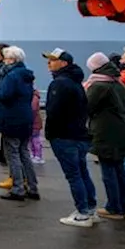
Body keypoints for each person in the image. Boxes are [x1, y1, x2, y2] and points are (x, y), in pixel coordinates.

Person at [38, 48, 95, 225]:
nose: (49, 63)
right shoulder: (75, 82)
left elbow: (53, 112)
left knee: (74, 175)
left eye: (53, 60)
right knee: (82, 172)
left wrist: (50, 134)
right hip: (79, 134)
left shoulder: (59, 84)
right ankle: (90, 209)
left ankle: (83, 212)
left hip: (64, 136)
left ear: (63, 63)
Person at [84, 52, 125, 221]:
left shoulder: (99, 85)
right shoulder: (116, 82)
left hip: (106, 132)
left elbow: (87, 106)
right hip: (120, 130)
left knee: (109, 170)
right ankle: (124, 205)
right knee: (119, 170)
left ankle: (114, 207)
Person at [0, 46, 39, 201]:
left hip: (11, 118)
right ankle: (32, 187)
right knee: (24, 153)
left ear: (12, 60)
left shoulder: (11, 76)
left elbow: (4, 95)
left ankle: (18, 188)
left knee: (12, 154)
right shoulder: (26, 75)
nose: (4, 61)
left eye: (6, 58)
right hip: (25, 117)